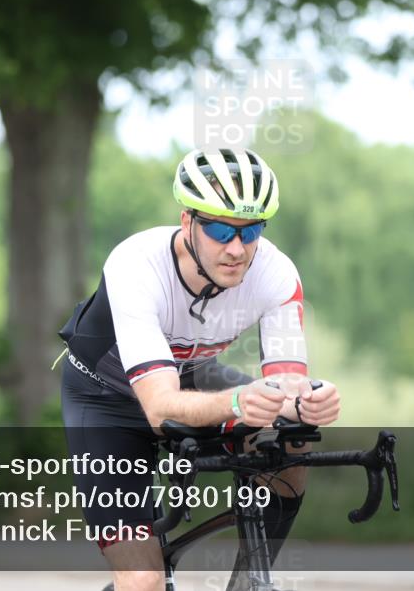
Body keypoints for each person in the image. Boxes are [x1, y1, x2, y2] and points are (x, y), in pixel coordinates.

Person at [56, 147, 341, 591]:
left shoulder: (277, 273)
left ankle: (250, 580)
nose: (236, 248)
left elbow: (288, 384)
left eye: (251, 232)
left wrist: (308, 401)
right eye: (220, 229)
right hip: (106, 400)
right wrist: (237, 402)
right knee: (144, 581)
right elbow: (159, 408)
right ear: (188, 222)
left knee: (291, 437)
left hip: (190, 380)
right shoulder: (136, 265)